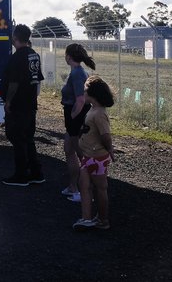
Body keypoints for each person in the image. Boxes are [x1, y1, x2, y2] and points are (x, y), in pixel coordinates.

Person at [0, 24, 46, 186]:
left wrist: (9, 101)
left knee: (17, 138)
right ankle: (36, 172)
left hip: (18, 105)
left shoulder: (17, 57)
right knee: (28, 138)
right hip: (30, 104)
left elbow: (14, 82)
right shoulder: (34, 55)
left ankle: (21, 176)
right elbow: (37, 79)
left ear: (15, 38)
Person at [73, 75, 116, 231]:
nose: (83, 94)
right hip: (88, 156)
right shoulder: (93, 110)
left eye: (85, 91)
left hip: (97, 157)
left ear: (93, 94)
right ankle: (86, 218)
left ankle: (103, 219)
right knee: (83, 185)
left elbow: (105, 135)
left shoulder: (99, 114)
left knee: (100, 188)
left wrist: (110, 149)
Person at [61, 43, 95, 202]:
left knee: (80, 153)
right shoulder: (76, 72)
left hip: (76, 115)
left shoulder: (77, 74)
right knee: (69, 149)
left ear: (69, 56)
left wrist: (73, 119)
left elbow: (80, 100)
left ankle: (85, 191)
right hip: (73, 114)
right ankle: (73, 186)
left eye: (65, 54)